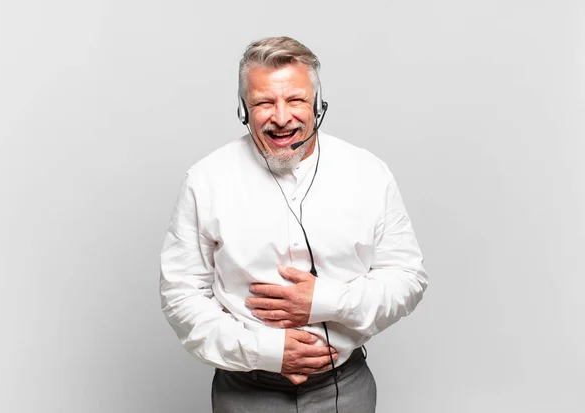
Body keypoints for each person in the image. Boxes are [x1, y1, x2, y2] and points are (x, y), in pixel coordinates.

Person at [159, 36, 428, 413]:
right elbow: (181, 295)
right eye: (264, 102)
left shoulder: (369, 173)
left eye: (296, 100)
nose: (282, 117)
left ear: (318, 105)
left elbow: (407, 278)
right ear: (243, 109)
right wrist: (266, 351)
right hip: (245, 391)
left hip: (345, 388)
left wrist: (325, 301)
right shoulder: (206, 180)